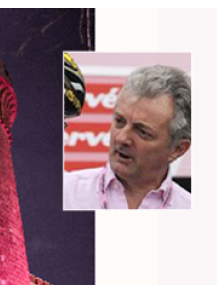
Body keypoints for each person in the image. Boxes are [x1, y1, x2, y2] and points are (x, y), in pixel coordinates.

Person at [64, 63, 191, 209]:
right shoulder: (63, 192)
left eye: (142, 132)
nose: (122, 138)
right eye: (119, 121)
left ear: (177, 149)